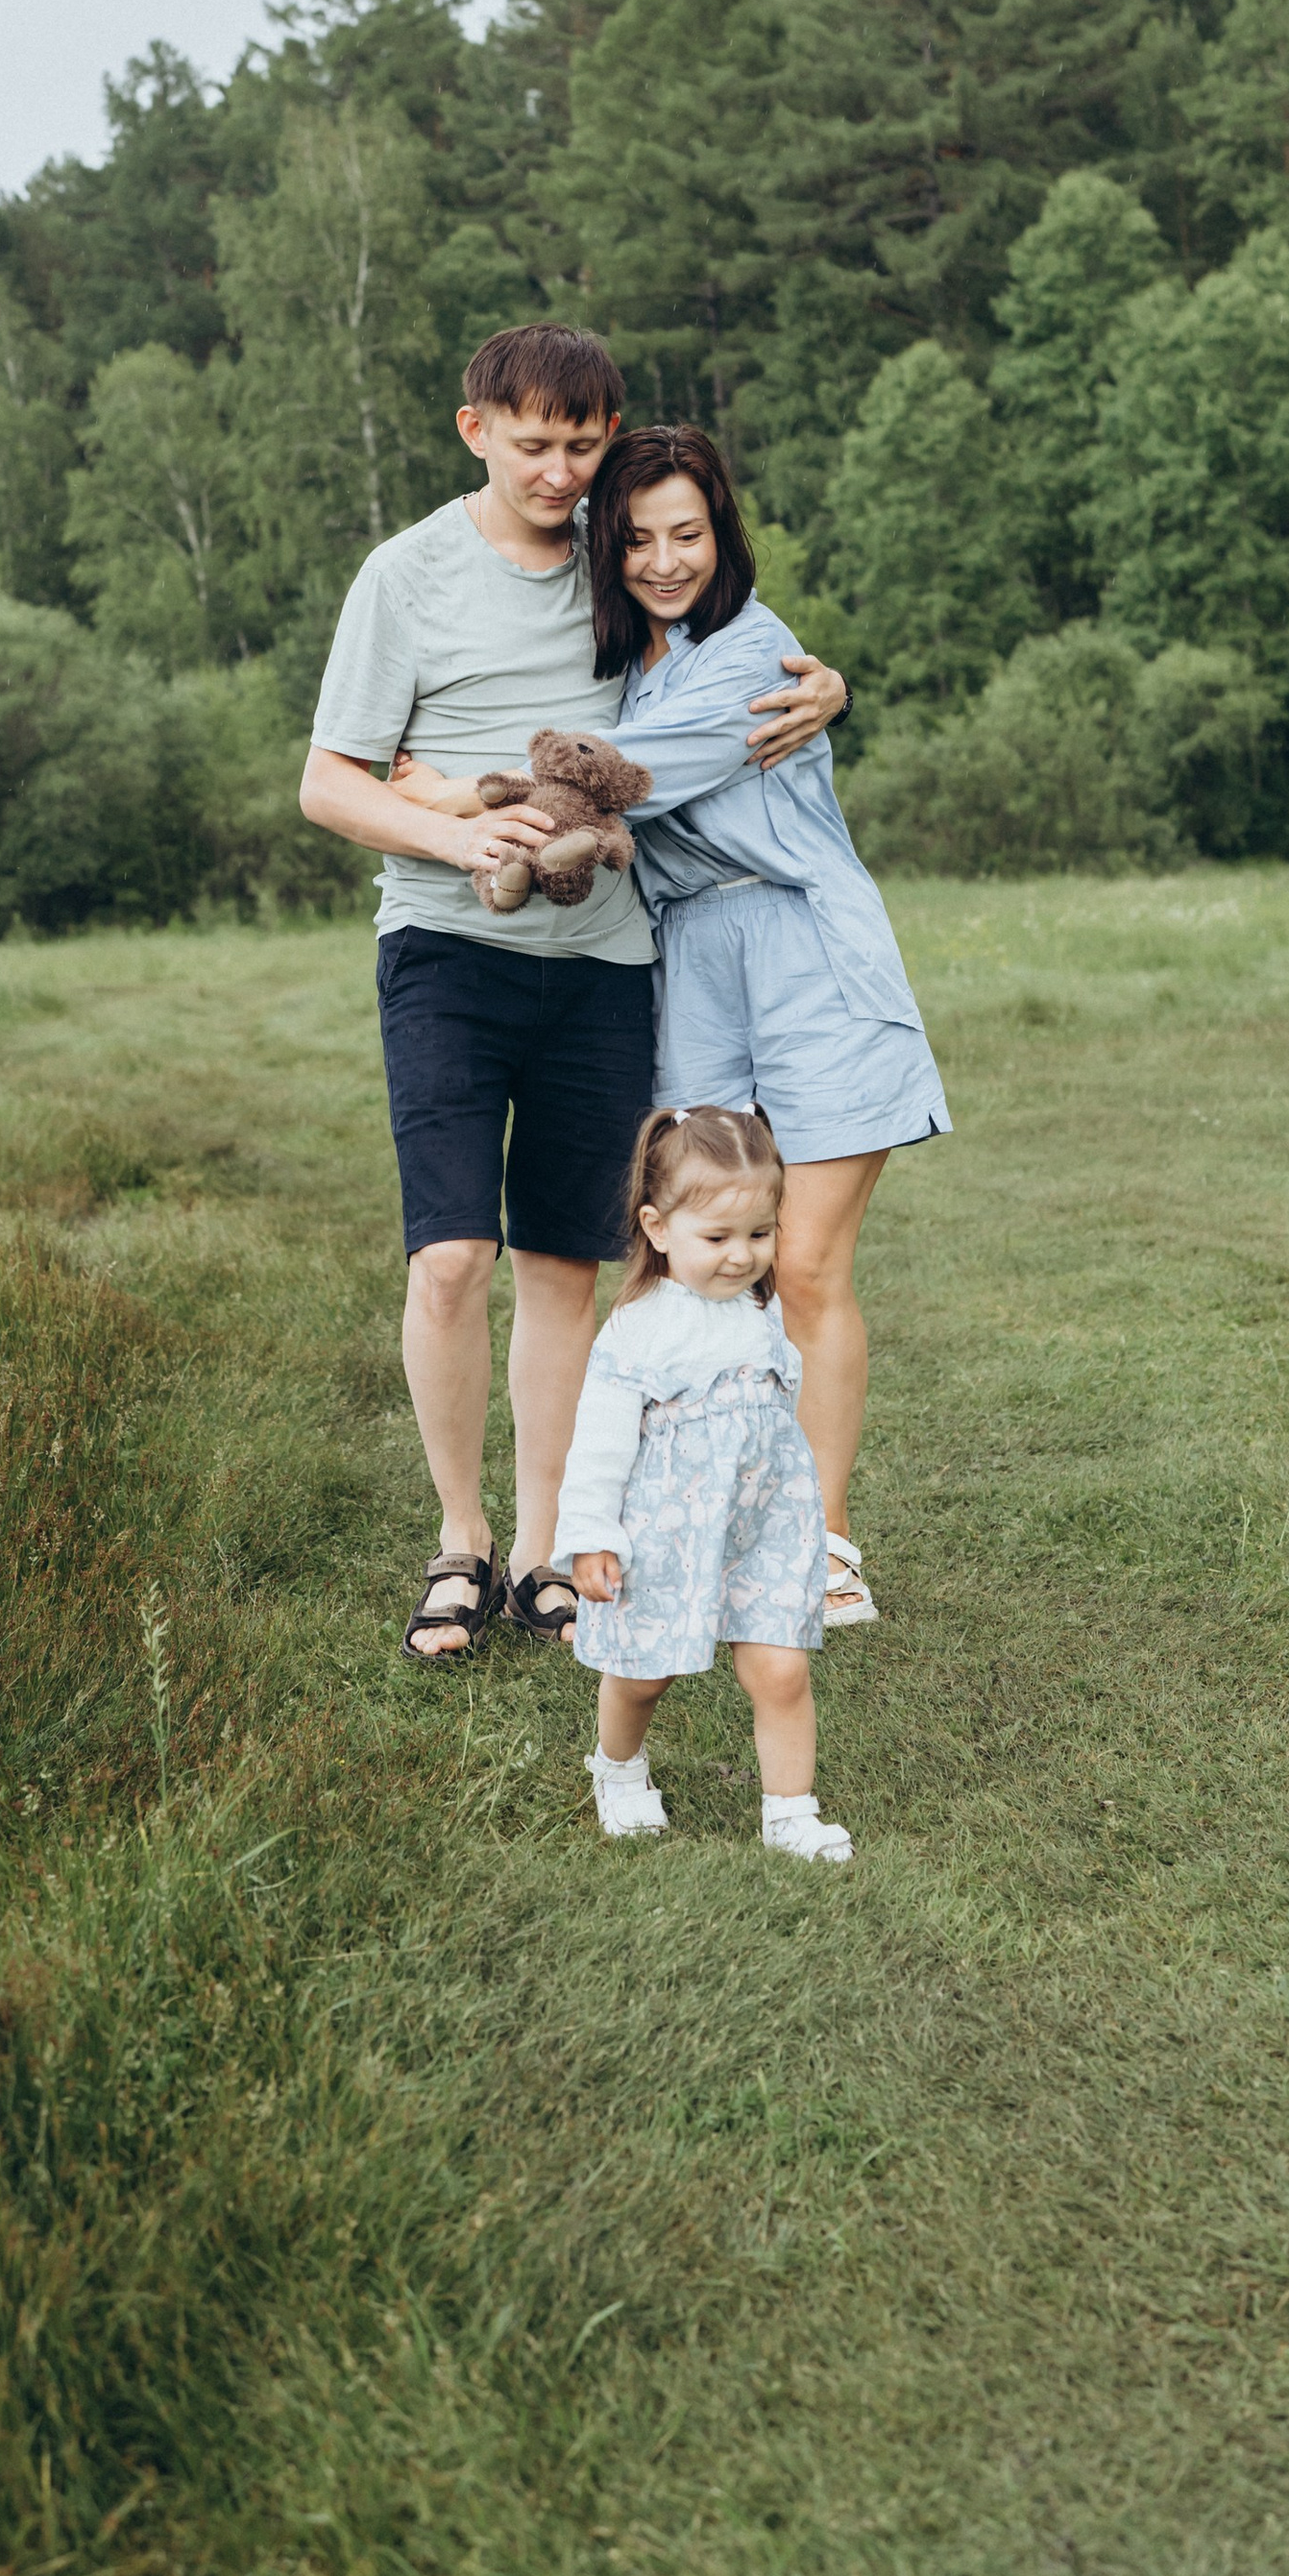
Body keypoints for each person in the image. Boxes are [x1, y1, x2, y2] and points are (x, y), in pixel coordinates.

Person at [296, 328, 846, 1668]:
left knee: (561, 1266)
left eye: (582, 445)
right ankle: (459, 1539)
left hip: (606, 963)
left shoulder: (623, 557)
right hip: (447, 951)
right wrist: (452, 833)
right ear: (474, 428)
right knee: (450, 1259)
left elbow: (731, 646)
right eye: (532, 443)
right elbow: (329, 780)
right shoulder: (407, 574)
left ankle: (543, 1549)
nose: (559, 471)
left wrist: (825, 681)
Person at [397, 420, 942, 1630]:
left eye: (687, 534)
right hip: (688, 960)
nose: (661, 560)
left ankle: (826, 1544)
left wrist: (457, 788)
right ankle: (707, 1513)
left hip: (805, 949)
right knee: (701, 1259)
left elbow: (625, 767)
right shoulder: (622, 653)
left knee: (798, 1265)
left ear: (724, 533)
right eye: (635, 538)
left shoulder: (758, 654)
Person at [554, 1102, 852, 1862]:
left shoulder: (762, 1305)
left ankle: (790, 1811)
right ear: (656, 1228)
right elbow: (599, 1444)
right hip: (666, 1532)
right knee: (644, 1674)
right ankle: (617, 1770)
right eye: (716, 1237)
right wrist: (591, 1536)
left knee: (780, 1669)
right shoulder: (641, 1329)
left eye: (760, 1233)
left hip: (764, 1527)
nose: (741, 1256)